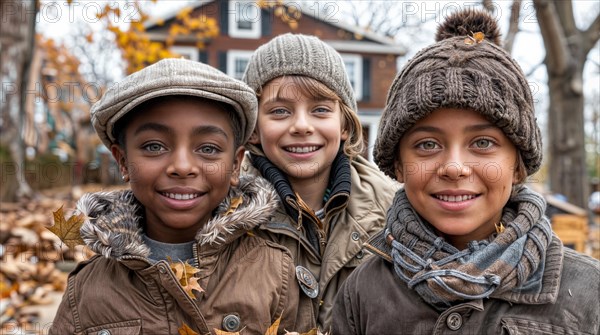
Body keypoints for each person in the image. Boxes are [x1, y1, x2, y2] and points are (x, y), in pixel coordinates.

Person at [332, 9, 600, 334]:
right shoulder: (362, 292)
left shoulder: (589, 293)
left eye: (483, 142)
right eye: (428, 145)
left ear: (517, 165)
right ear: (399, 165)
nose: (454, 167)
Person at [49, 58, 300, 334]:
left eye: (208, 148)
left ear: (235, 164)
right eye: (154, 146)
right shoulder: (86, 292)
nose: (182, 167)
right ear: (123, 162)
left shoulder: (276, 272)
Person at [240, 33, 400, 331]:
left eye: (320, 110)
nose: (302, 125)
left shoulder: (395, 210)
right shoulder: (224, 212)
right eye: (279, 111)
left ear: (344, 124)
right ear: (252, 130)